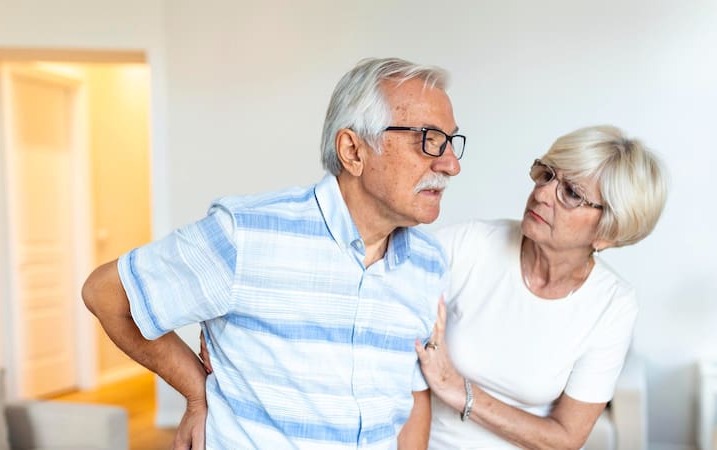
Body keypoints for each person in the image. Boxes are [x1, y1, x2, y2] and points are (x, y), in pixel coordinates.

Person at [82, 57, 466, 450]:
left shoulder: (428, 262)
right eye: (428, 139)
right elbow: (106, 294)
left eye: (452, 142)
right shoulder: (248, 234)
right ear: (353, 150)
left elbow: (412, 395)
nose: (450, 164)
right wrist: (198, 393)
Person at [415, 125, 667, 449]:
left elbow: (565, 438)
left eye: (572, 193)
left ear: (609, 232)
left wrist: (455, 387)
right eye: (546, 175)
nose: (542, 193)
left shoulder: (613, 304)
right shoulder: (466, 245)